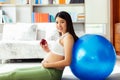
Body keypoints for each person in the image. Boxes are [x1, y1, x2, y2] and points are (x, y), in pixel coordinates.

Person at [0, 11, 78, 80]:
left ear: (68, 22)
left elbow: (67, 61)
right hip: (48, 69)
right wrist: (47, 50)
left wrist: (48, 65)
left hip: (52, 73)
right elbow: (59, 55)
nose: (59, 25)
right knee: (16, 71)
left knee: (15, 75)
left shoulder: (68, 38)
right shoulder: (63, 36)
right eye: (57, 22)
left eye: (62, 22)